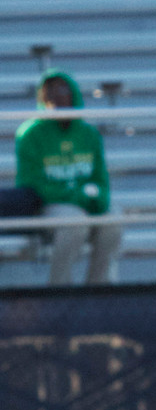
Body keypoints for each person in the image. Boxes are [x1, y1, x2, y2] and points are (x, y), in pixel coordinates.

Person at [15, 69, 122, 286]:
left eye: (62, 89)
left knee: (113, 220)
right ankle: (59, 291)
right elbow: (31, 183)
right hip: (49, 205)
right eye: (50, 91)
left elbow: (100, 178)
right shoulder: (30, 134)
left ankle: (100, 291)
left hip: (85, 201)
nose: (56, 96)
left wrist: (98, 200)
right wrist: (75, 196)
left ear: (73, 93)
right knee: (74, 223)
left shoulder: (89, 134)